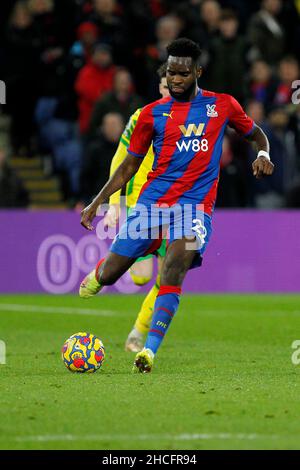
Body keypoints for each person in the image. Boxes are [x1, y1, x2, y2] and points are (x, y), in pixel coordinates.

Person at [79, 38, 274, 374]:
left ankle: (148, 351)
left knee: (174, 267)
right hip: (151, 207)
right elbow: (128, 165)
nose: (175, 79)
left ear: (197, 72)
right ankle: (99, 273)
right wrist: (98, 201)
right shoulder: (150, 115)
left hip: (194, 209)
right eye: (171, 73)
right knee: (110, 274)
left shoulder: (222, 106)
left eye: (183, 73)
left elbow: (256, 133)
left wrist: (263, 153)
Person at [103, 64, 169, 353]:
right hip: (140, 205)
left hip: (176, 207)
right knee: (140, 275)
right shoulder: (142, 117)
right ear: (160, 88)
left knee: (168, 277)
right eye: (166, 86)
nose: (171, 91)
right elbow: (120, 159)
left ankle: (138, 334)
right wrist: (113, 204)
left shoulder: (194, 119)